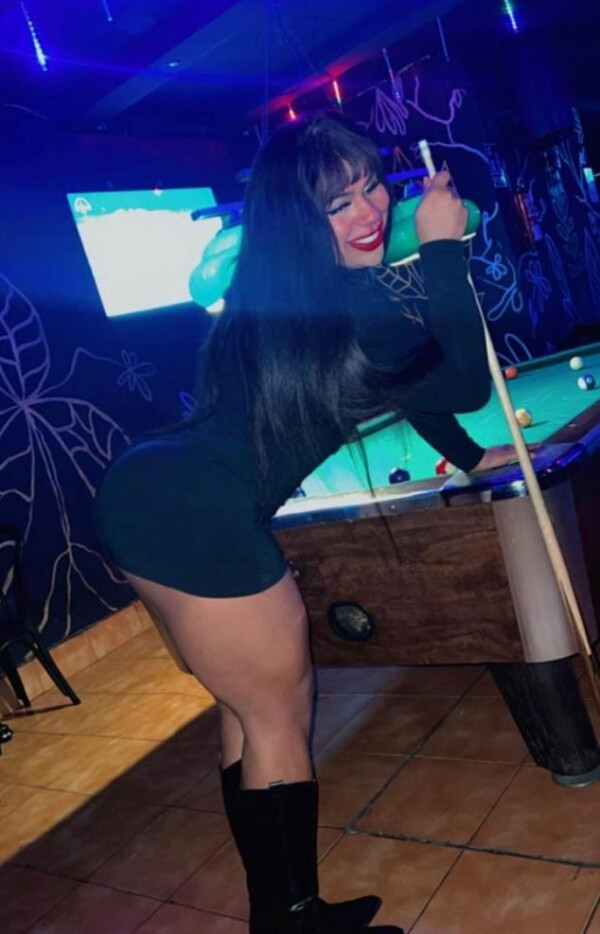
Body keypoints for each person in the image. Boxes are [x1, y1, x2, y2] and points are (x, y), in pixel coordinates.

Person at [94, 113, 515, 934]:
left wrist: (468, 459)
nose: (368, 212)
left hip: (147, 493)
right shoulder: (343, 305)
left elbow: (411, 387)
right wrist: (443, 249)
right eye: (337, 203)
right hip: (194, 509)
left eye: (371, 187)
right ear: (299, 221)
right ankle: (293, 921)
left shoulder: (273, 295)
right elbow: (464, 382)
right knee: (277, 714)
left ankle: (281, 914)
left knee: (246, 711)